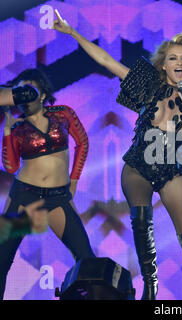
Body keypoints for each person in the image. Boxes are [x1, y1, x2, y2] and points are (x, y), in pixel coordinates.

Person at [52, 10, 182, 300]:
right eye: (173, 58)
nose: (178, 63)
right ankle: (150, 289)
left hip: (172, 169)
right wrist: (73, 33)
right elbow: (107, 61)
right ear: (164, 65)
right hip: (138, 166)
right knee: (142, 225)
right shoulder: (148, 86)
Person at [0, 68, 95, 300]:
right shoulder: (18, 126)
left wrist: (73, 181)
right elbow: (11, 167)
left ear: (42, 94)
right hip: (24, 197)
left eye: (30, 90)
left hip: (57, 198)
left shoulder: (63, 114)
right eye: (19, 92)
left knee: (88, 262)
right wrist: (7, 132)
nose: (25, 97)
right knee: (1, 263)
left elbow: (82, 142)